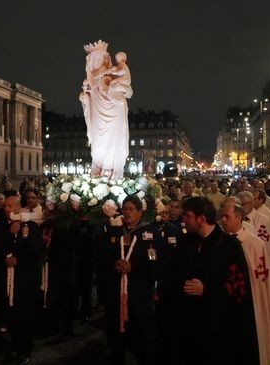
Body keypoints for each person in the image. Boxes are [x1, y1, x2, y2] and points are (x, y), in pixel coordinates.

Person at [171, 197, 258, 365]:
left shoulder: (228, 246)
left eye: (187, 216)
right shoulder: (186, 241)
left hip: (218, 327)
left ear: (201, 219)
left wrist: (207, 290)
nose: (183, 220)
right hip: (189, 324)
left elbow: (238, 288)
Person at [97, 195, 162, 365]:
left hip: (139, 292)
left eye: (131, 209)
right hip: (116, 291)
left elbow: (156, 260)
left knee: (141, 333)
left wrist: (134, 267)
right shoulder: (114, 230)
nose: (127, 213)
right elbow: (101, 254)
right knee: (115, 331)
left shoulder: (151, 232)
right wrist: (114, 263)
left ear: (141, 212)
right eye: (125, 209)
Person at [219, 203, 270, 365]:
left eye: (227, 217)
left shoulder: (254, 243)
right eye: (222, 216)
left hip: (251, 297)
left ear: (239, 218)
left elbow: (261, 276)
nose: (223, 220)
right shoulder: (220, 241)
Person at [0, 196, 44, 365]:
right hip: (4, 279)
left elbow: (37, 252)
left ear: (18, 208)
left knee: (24, 317)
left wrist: (19, 260)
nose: (6, 208)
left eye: (9, 205)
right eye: (4, 206)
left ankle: (25, 348)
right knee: (9, 316)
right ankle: (13, 345)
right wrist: (9, 234)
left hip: (23, 281)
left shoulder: (31, 226)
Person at [80, 40, 131, 179]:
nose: (100, 60)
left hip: (114, 111)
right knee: (97, 141)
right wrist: (85, 98)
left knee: (114, 139)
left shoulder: (115, 72)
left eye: (102, 57)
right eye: (96, 58)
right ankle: (99, 166)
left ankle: (113, 169)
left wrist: (113, 88)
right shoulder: (91, 77)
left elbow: (129, 92)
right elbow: (89, 97)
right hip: (97, 112)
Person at [237, 191, 270, 317]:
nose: (240, 208)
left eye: (243, 204)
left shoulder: (265, 220)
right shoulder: (236, 221)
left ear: (252, 203)